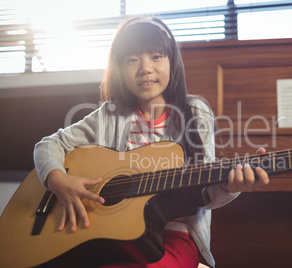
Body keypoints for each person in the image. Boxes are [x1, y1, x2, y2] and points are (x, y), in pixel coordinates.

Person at [33, 16, 269, 268]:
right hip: (117, 235)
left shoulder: (194, 112)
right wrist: (57, 179)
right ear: (119, 69)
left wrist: (229, 187)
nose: (145, 68)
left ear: (172, 62)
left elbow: (205, 192)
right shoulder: (109, 115)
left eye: (156, 56)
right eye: (132, 59)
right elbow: (47, 145)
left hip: (177, 237)